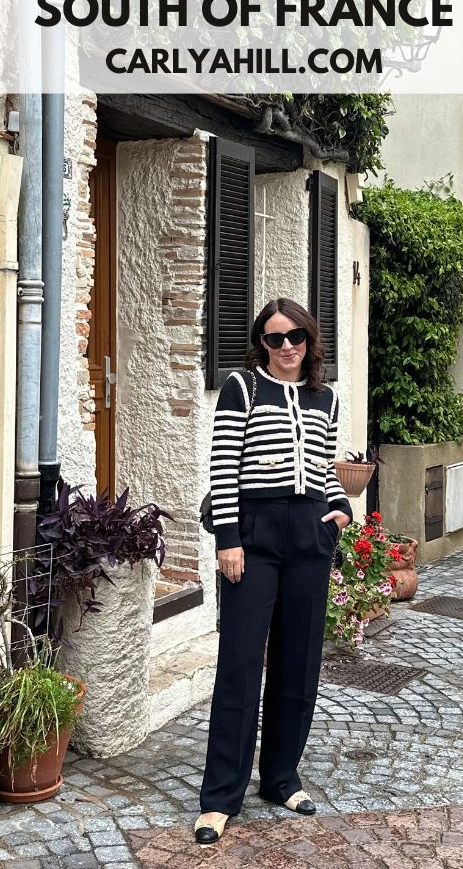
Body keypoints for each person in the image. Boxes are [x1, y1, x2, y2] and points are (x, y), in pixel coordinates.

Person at [194, 298, 353, 845]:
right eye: (274, 338)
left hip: (309, 534)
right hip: (255, 536)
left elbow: (326, 467)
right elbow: (223, 464)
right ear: (262, 343)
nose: (286, 347)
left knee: (300, 658)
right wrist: (228, 540)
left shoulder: (325, 398)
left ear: (310, 341)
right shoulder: (244, 387)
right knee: (240, 661)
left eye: (295, 338)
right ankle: (219, 799)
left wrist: (339, 512)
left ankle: (281, 777)